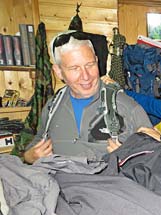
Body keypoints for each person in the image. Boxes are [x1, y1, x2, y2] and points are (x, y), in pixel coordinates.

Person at [23, 30, 152, 164]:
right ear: (59, 72)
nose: (86, 76)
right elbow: (38, 141)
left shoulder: (125, 106)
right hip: (56, 183)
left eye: (90, 65)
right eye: (74, 68)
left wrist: (128, 159)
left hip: (109, 183)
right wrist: (30, 156)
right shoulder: (52, 107)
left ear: (96, 61)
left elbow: (155, 157)